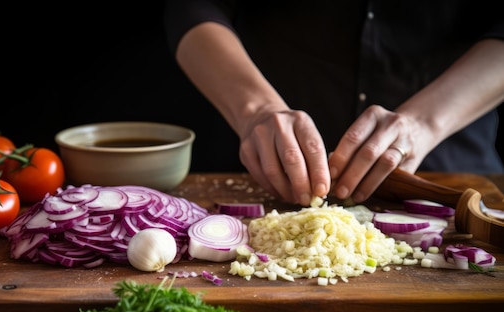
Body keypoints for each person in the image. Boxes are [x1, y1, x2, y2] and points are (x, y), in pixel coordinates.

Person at [163, 0, 504, 206]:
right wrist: (256, 109)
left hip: (451, 172)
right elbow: (191, 5)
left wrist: (426, 122)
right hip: (260, 175)